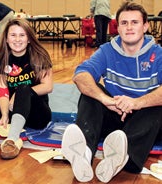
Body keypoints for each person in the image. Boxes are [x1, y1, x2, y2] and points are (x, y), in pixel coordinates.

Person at [61, 2, 162, 183]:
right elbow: (80, 75)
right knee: (91, 92)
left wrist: (136, 102)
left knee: (157, 102)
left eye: (135, 22)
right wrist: (105, 99)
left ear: (146, 26)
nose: (129, 27)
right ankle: (84, 153)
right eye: (124, 23)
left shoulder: (158, 53)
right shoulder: (107, 50)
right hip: (115, 121)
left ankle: (124, 157)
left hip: (145, 123)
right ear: (118, 27)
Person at [0, 18, 53, 161]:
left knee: (23, 88)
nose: (17, 39)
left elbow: (48, 86)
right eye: (13, 35)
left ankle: (12, 140)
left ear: (29, 39)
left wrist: (21, 93)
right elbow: (2, 91)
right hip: (11, 109)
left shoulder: (40, 56)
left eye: (22, 35)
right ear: (6, 39)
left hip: (36, 114)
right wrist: (4, 114)